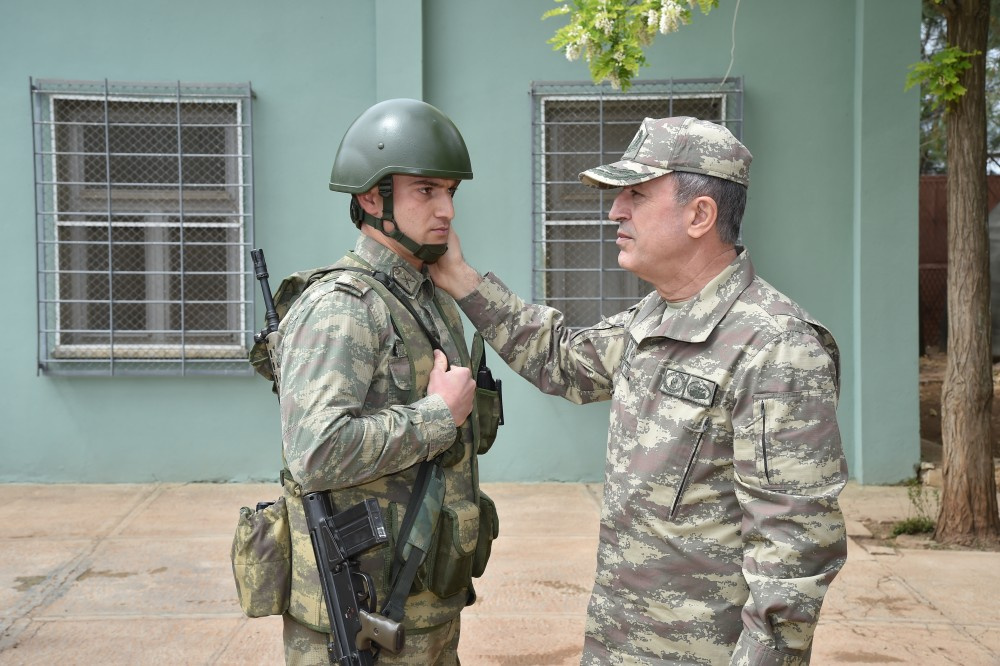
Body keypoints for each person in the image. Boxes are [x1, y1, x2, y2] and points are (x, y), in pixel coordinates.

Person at [430, 116, 848, 665]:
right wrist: (461, 278)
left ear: (700, 215)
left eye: (636, 195)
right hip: (619, 642)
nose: (615, 211)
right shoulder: (655, 316)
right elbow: (564, 360)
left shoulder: (776, 347)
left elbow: (793, 557)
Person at [276, 98, 499, 665]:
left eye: (451, 191)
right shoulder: (342, 307)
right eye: (427, 190)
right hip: (362, 617)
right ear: (372, 198)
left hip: (425, 605)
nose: (446, 209)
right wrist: (435, 417)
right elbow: (316, 451)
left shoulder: (430, 299)